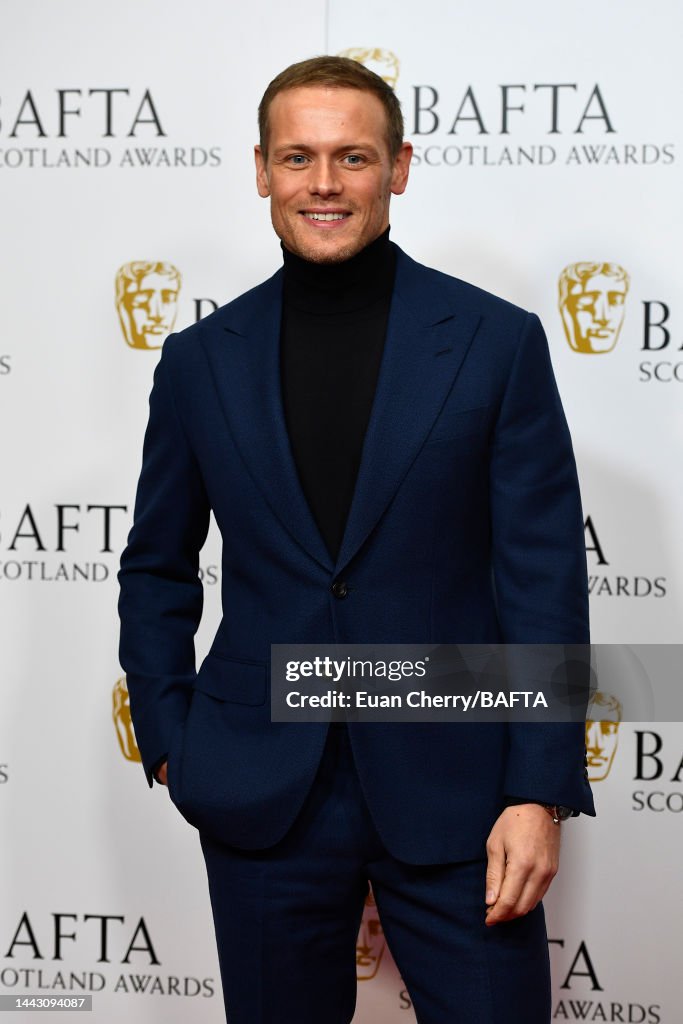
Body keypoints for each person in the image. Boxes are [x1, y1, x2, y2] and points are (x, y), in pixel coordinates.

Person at [118, 55, 594, 1024]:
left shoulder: (493, 342)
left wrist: (535, 789)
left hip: (460, 790)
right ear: (260, 169)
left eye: (351, 156)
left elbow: (541, 574)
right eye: (297, 156)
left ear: (398, 167)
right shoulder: (200, 361)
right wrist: (172, 738)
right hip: (259, 792)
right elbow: (156, 565)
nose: (323, 182)